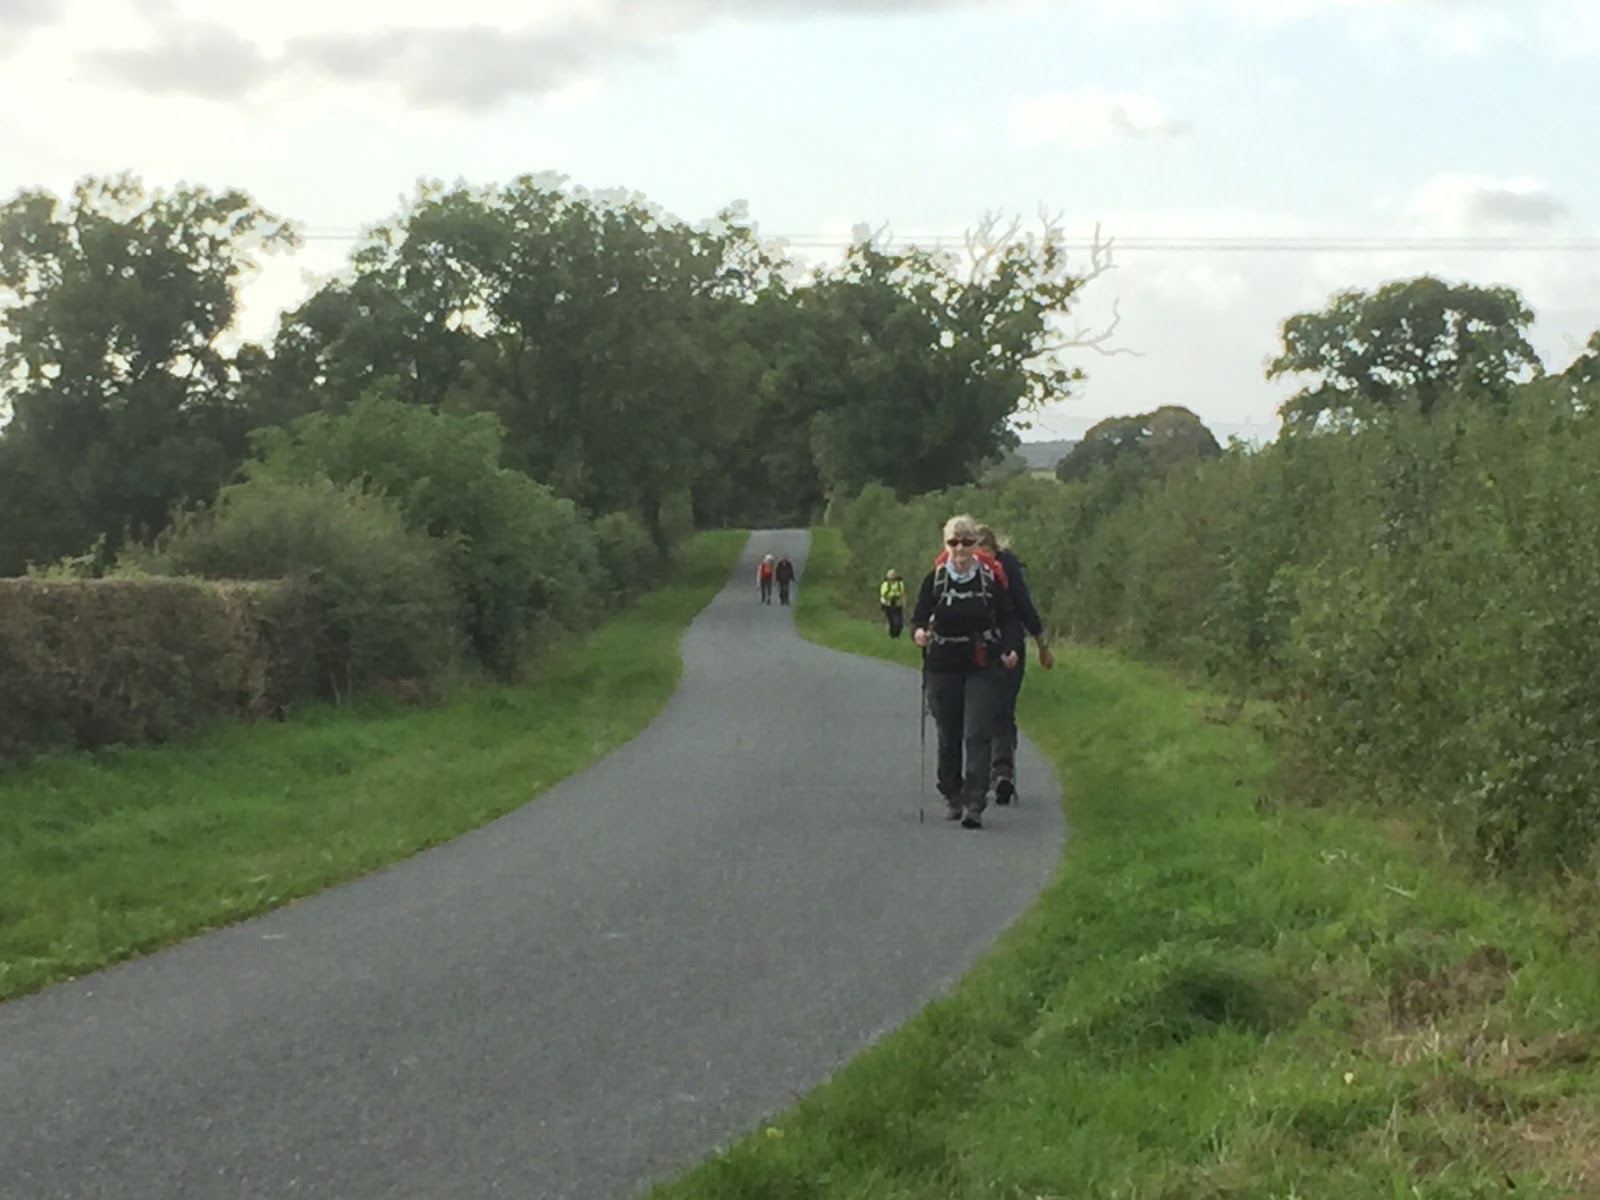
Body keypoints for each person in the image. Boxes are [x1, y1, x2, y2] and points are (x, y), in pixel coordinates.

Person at [911, 513, 1020, 830]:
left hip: (981, 665)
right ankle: (951, 792)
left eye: (966, 542)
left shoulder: (989, 580)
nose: (960, 548)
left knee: (977, 733)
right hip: (942, 666)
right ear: (946, 544)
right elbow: (918, 617)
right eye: (953, 542)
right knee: (949, 735)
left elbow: (1008, 618)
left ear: (975, 545)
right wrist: (919, 633)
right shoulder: (935, 580)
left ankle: (974, 802)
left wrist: (1010, 647)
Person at [976, 524, 1053, 805]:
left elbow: (1023, 605)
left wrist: (1042, 645)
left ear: (994, 550)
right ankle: (980, 772)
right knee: (979, 712)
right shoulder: (960, 570)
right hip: (976, 649)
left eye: (986, 553)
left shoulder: (1007, 568)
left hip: (1009, 646)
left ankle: (1002, 773)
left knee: (1002, 709)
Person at [878, 569, 906, 638]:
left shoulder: (899, 584)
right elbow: (883, 595)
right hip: (888, 604)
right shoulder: (886, 584)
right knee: (890, 620)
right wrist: (884, 604)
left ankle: (897, 634)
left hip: (897, 604)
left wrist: (903, 603)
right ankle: (891, 634)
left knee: (898, 621)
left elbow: (902, 594)